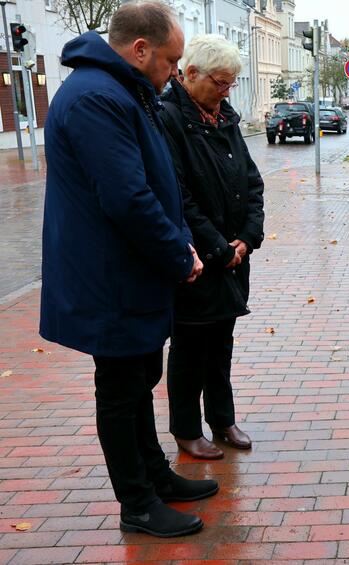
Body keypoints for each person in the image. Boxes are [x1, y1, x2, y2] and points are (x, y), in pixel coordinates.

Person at [40, 2, 218, 538]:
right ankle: (137, 504)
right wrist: (177, 253)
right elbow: (127, 198)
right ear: (139, 49)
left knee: (140, 379)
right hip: (109, 276)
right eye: (170, 61)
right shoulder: (98, 97)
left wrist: (180, 240)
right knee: (121, 388)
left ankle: (156, 477)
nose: (173, 73)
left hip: (129, 271)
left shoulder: (122, 91)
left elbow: (155, 183)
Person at [159, 35, 264, 460]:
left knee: (221, 345)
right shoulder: (169, 120)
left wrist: (247, 238)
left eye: (230, 84)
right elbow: (180, 196)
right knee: (189, 348)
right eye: (220, 82)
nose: (225, 91)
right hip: (200, 260)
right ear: (190, 75)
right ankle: (186, 428)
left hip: (233, 258)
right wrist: (219, 248)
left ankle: (223, 420)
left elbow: (252, 184)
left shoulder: (225, 120)